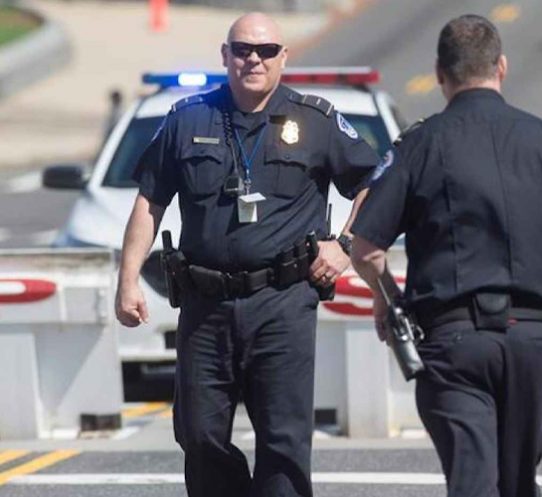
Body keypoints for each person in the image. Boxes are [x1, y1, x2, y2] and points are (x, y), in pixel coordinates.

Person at [350, 14, 542, 497]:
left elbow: (366, 247)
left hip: (452, 343)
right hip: (535, 342)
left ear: (440, 74)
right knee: (518, 483)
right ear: (502, 66)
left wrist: (387, 300)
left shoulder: (419, 145)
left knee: (473, 479)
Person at [115, 12, 379, 497]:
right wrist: (127, 279)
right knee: (198, 434)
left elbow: (377, 183)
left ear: (284, 57)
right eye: (242, 49)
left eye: (265, 50)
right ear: (225, 55)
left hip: (283, 305)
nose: (253, 59)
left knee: (283, 441)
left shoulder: (315, 119)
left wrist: (343, 246)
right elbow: (150, 199)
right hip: (205, 304)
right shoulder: (187, 118)